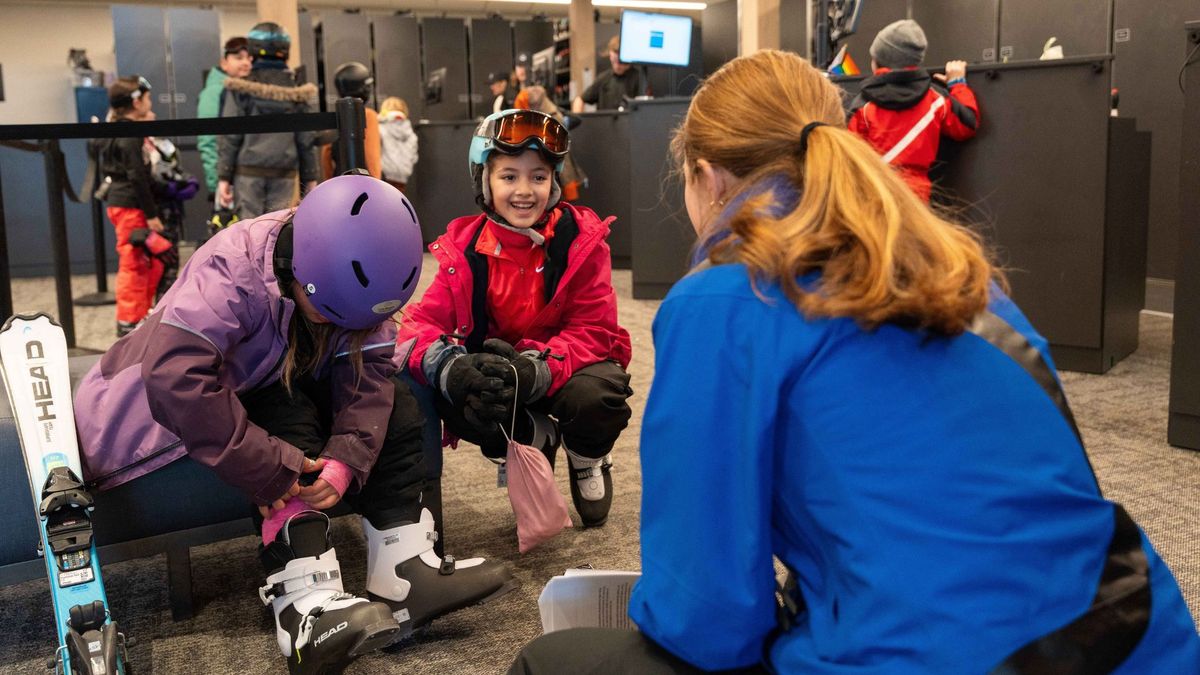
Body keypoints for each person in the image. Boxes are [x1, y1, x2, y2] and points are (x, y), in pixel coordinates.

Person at [510, 50, 1200, 673]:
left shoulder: (723, 298)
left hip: (938, 655)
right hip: (1139, 634)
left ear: (706, 176)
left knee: (551, 662)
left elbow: (708, 617)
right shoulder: (957, 273)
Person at [74, 175, 514, 674]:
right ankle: (304, 608)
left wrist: (347, 459)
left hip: (288, 369)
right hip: (205, 397)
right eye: (328, 315)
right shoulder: (231, 269)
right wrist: (268, 469)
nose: (339, 327)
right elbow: (176, 376)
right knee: (283, 409)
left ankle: (404, 572)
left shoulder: (362, 275)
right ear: (297, 271)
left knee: (395, 401)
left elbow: (370, 371)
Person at [396, 109, 633, 529]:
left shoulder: (582, 239)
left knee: (599, 399)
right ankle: (534, 437)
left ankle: (587, 454)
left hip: (565, 370)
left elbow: (595, 330)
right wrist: (452, 368)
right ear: (484, 181)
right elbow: (413, 329)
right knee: (459, 399)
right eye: (509, 176)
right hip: (507, 379)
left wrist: (536, 369)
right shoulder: (464, 247)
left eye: (538, 177)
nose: (524, 191)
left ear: (554, 182)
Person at [847, 19, 979, 202]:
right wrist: (957, 84)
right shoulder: (936, 99)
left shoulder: (862, 106)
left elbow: (846, 157)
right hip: (916, 201)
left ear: (876, 63)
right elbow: (967, 124)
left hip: (874, 196)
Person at [94, 75, 178, 337]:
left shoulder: (113, 128)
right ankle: (130, 322)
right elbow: (136, 176)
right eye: (148, 98)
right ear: (136, 100)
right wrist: (151, 214)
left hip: (124, 204)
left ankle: (139, 317)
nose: (150, 103)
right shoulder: (129, 133)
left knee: (144, 261)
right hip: (131, 206)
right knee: (134, 263)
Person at [218, 21, 319, 220]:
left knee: (248, 233)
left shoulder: (240, 86)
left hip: (247, 174)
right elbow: (305, 138)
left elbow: (230, 136)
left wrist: (224, 176)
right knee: (277, 231)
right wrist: (310, 178)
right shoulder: (296, 89)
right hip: (285, 173)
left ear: (253, 49)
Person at [197, 37, 251, 201]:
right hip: (228, 181)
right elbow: (208, 140)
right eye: (239, 58)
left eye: (249, 58)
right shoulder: (214, 92)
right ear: (224, 63)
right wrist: (216, 183)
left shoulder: (247, 90)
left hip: (246, 179)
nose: (246, 63)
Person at [513, 86, 587, 202]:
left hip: (553, 179)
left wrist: (569, 186)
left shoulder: (550, 121)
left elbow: (563, 158)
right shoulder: (546, 116)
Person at [320, 61, 382, 180]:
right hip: (365, 181)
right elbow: (371, 156)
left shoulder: (336, 116)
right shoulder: (368, 115)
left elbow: (326, 157)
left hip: (340, 180)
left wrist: (329, 182)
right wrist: (376, 183)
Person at [571, 36, 644, 113]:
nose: (618, 65)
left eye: (621, 62)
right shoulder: (603, 79)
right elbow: (579, 100)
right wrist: (578, 120)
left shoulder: (639, 78)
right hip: (605, 124)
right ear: (610, 55)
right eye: (615, 61)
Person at [378, 96, 418, 193]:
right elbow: (414, 157)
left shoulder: (379, 128)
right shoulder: (410, 133)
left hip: (383, 176)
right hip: (402, 177)